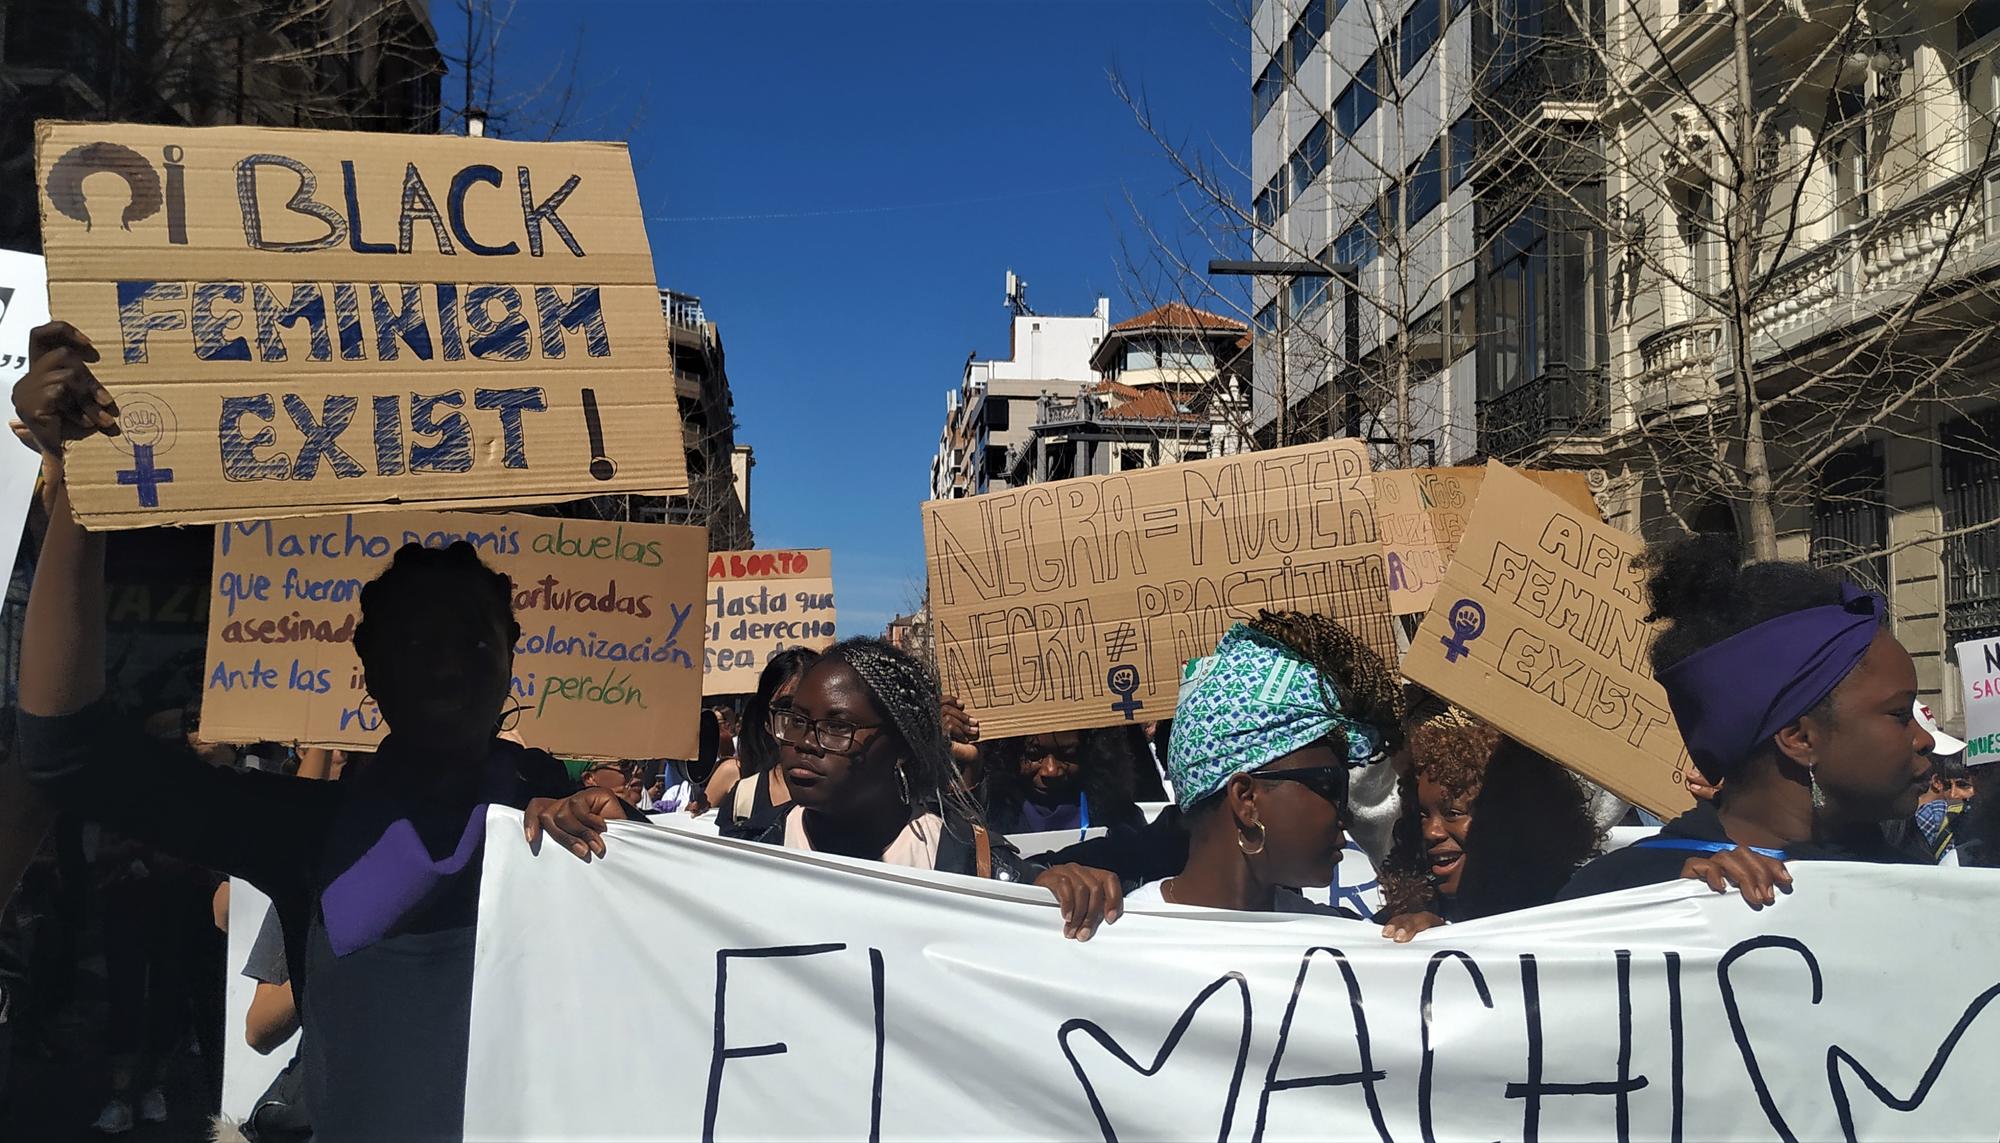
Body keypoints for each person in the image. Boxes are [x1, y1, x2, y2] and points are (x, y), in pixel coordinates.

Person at [11, 321, 650, 1142]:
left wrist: (617, 851)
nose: (448, 664)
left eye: (473, 639)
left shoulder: (577, 823)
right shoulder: (307, 832)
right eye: (416, 642)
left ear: (512, 658)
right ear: (368, 668)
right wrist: (78, 484)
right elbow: (70, 755)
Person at [546, 637, 1124, 939]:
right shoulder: (751, 852)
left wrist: (1052, 890)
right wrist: (618, 829)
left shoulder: (969, 863)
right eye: (793, 721)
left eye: (838, 728)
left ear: (899, 744)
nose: (802, 742)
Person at [1559, 537, 1934, 905]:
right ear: (1801, 738)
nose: (1925, 740)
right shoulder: (1621, 893)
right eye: (1900, 715)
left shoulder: (1919, 880)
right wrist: (1671, 909)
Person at [1123, 611, 1404, 914]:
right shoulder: (1111, 940)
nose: (1344, 816)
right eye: (1329, 785)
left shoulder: (1342, 940)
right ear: (1246, 799)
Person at [1377, 713, 1601, 941]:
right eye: (1423, 815)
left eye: (1453, 814)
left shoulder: (1581, 919)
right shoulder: (1400, 927)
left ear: (1517, 818)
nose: (1431, 831)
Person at [711, 649, 819, 838]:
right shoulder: (743, 796)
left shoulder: (851, 801)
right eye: (787, 708)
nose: (801, 724)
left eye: (815, 708)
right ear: (767, 720)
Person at [976, 728, 1147, 837]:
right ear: (1009, 753)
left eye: (1068, 754)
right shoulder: (986, 813)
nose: (1050, 770)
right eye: (1034, 754)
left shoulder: (1120, 817)